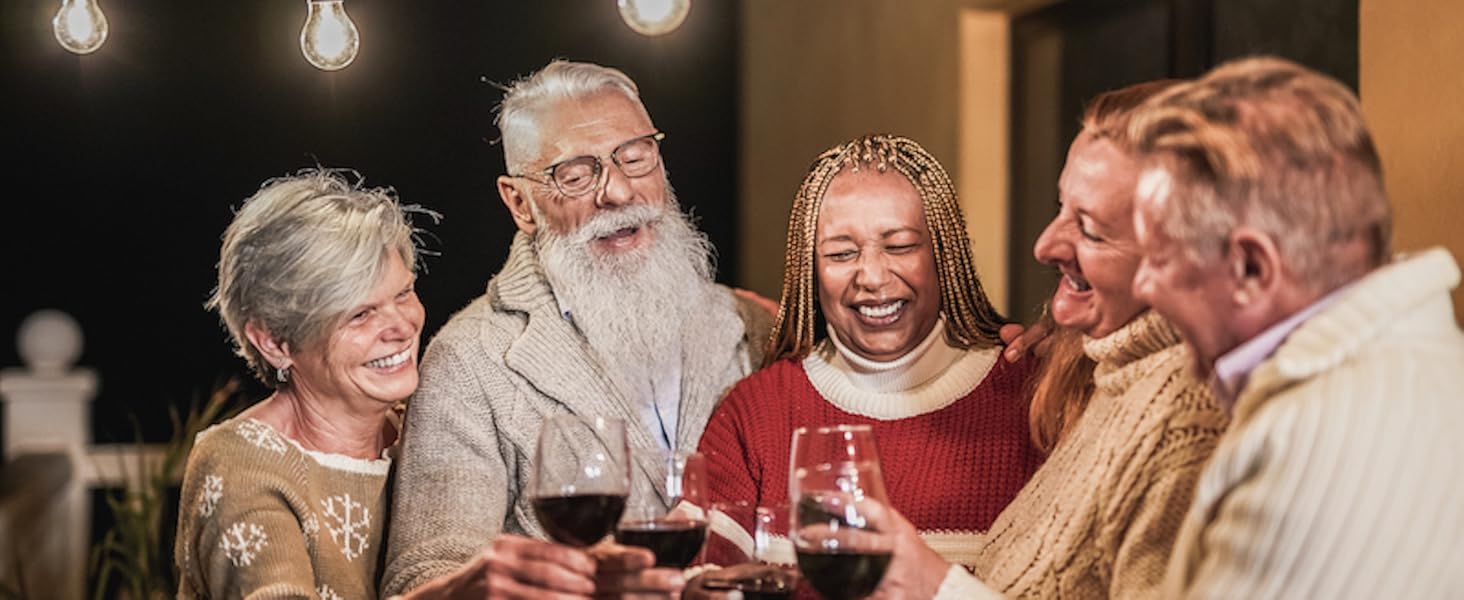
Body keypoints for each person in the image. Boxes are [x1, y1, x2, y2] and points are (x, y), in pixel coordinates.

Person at [382, 60, 775, 596]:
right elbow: (425, 576)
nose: (618, 192)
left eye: (636, 157)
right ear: (519, 202)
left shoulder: (753, 327)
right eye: (575, 174)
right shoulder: (468, 360)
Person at [844, 80, 1230, 599]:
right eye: (1061, 207)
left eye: (1090, 228)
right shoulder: (1115, 377)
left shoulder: (1193, 417)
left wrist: (939, 589)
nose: (1045, 244)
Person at [1127, 56, 1464, 596]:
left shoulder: (1319, 442)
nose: (1142, 286)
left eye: (1160, 258)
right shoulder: (1413, 365)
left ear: (1251, 269)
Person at [177, 170, 541, 598]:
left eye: (403, 293)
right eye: (360, 314)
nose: (401, 326)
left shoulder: (430, 430)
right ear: (274, 341)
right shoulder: (239, 463)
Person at [696, 134, 1041, 570]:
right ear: (810, 271)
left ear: (944, 255)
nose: (873, 277)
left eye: (899, 246)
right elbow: (697, 579)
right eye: (841, 253)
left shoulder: (1033, 397)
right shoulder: (755, 412)